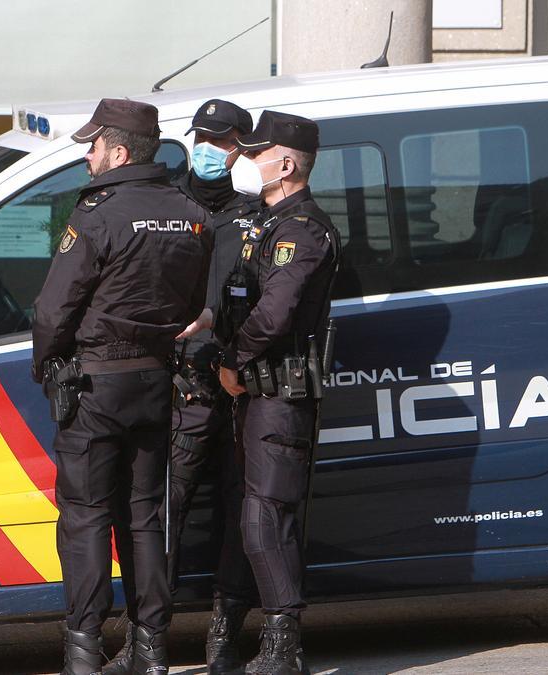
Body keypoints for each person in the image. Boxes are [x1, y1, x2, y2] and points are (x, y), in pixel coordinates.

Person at [32, 98, 211, 675]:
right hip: (157, 382)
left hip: (95, 386)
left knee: (85, 516)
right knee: (144, 518)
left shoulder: (97, 213)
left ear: (118, 149)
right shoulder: (189, 212)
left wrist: (48, 364)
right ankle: (151, 650)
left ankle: (84, 651)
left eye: (93, 146)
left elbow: (53, 307)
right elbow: (194, 302)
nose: (88, 157)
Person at [214, 111, 339, 675]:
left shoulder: (302, 230)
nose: (245, 159)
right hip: (260, 395)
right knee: (258, 515)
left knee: (267, 516)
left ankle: (283, 647)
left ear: (285, 163)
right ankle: (269, 641)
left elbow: (274, 313)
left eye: (257, 151)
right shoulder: (270, 223)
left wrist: (233, 361)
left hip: (279, 392)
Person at [167, 98, 262, 674]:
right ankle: (146, 635)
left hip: (244, 387)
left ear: (239, 151)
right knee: (162, 514)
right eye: (201, 137)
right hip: (182, 388)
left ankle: (225, 635)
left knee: (242, 512)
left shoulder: (255, 216)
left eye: (221, 142)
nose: (208, 149)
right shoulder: (165, 207)